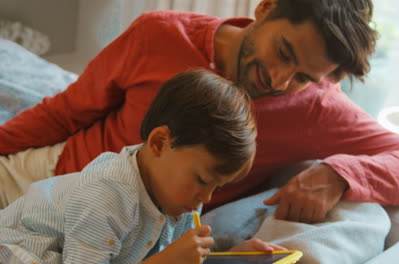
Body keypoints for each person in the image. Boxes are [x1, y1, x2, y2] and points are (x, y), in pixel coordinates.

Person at [0, 0, 399, 227]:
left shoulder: (315, 109)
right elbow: (66, 111)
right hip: (51, 177)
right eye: (282, 52)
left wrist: (337, 175)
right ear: (265, 9)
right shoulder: (156, 34)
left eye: (304, 76)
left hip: (132, 229)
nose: (281, 80)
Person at [0, 70, 285, 263]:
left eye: (217, 187)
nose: (207, 198)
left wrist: (234, 255)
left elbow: (173, 254)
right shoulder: (104, 198)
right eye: (201, 179)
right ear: (160, 143)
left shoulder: (180, 199)